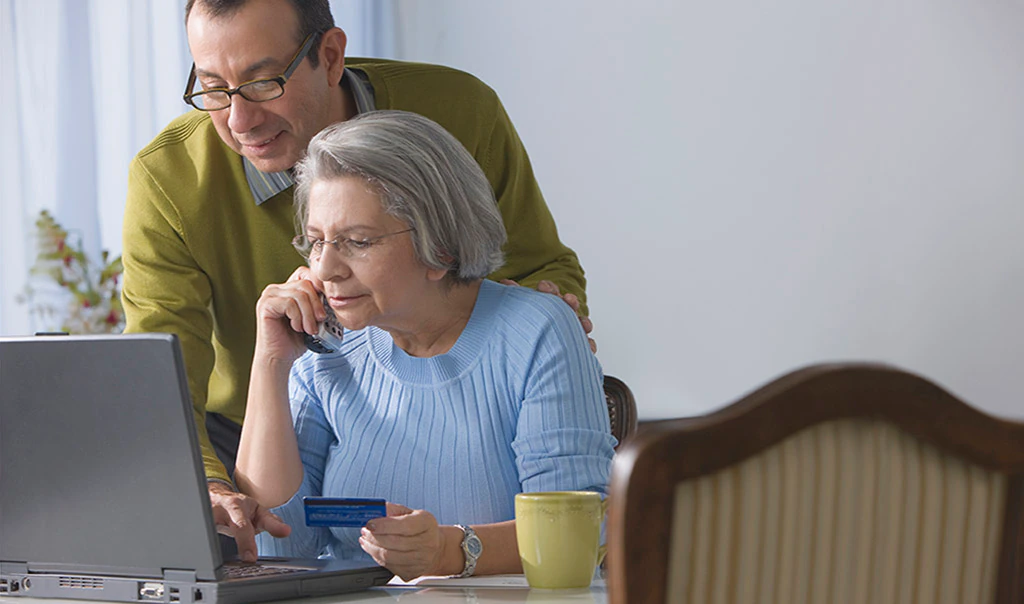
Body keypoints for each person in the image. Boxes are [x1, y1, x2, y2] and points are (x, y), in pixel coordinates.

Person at [121, 0, 595, 562]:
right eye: (213, 87)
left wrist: (534, 332)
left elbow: (540, 264)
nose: (238, 120)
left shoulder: (460, 112)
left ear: (330, 56)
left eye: (263, 82)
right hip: (241, 427)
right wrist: (267, 375)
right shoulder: (171, 180)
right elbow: (282, 536)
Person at [235, 110, 614, 580]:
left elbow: (576, 533)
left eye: (356, 241)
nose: (326, 268)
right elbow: (278, 539)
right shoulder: (324, 352)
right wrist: (270, 362)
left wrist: (449, 551)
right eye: (316, 242)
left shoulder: (536, 331)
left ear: (442, 249)